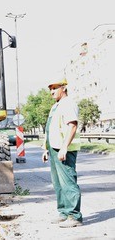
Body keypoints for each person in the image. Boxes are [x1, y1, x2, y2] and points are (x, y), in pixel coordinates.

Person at [42, 77, 83, 228]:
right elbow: (51, 129)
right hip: (54, 148)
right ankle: (64, 213)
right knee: (58, 183)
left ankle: (74, 216)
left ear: (64, 87)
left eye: (55, 88)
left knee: (68, 182)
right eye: (50, 89)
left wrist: (65, 147)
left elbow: (72, 125)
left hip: (64, 148)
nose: (52, 91)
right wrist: (46, 148)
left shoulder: (68, 103)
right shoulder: (56, 106)